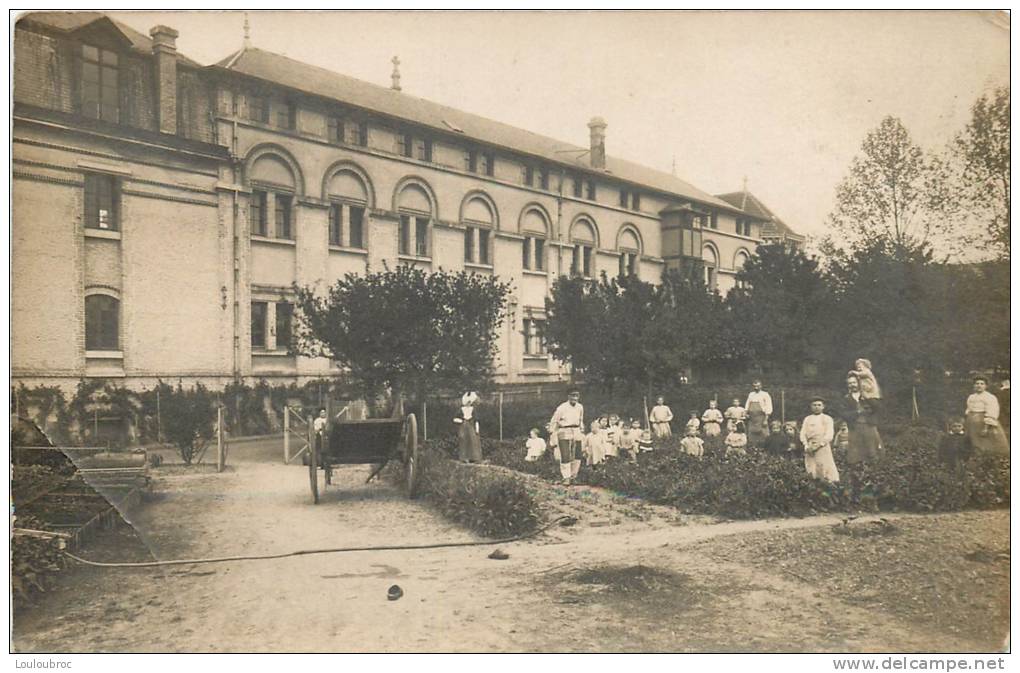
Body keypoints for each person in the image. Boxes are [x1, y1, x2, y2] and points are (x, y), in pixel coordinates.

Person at [837, 373, 883, 465]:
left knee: (872, 450)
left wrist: (868, 398)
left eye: (854, 382)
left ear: (859, 383)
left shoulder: (868, 394)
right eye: (850, 383)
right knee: (855, 454)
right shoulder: (846, 398)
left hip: (869, 425)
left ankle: (875, 470)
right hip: (854, 427)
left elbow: (878, 408)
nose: (852, 385)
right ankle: (859, 471)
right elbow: (843, 414)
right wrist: (857, 412)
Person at [965, 376, 1009, 454]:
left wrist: (986, 428)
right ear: (973, 385)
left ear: (986, 386)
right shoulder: (971, 397)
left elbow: (992, 412)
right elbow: (969, 409)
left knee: (987, 443)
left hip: (984, 422)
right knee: (974, 443)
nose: (979, 385)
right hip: (972, 423)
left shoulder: (990, 397)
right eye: (977, 383)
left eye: (982, 384)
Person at [800, 398, 839, 483]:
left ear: (823, 407)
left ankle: (828, 484)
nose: (816, 407)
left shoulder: (827, 418)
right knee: (811, 466)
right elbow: (803, 433)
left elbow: (829, 434)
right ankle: (813, 484)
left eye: (819, 405)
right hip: (810, 445)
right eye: (814, 405)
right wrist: (806, 446)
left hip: (822, 446)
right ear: (811, 407)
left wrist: (819, 445)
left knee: (824, 465)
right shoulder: (807, 419)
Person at [550, 389, 584, 484]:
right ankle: (566, 477)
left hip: (576, 430)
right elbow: (554, 420)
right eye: (572, 396)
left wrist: (581, 429)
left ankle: (574, 476)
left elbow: (581, 419)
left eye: (576, 396)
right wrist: (552, 433)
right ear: (568, 396)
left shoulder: (580, 407)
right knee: (565, 454)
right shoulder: (562, 408)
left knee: (577, 454)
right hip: (564, 430)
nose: (574, 398)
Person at [453, 391, 483, 463]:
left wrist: (477, 428)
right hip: (463, 426)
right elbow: (455, 418)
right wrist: (460, 421)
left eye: (469, 402)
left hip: (471, 425)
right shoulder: (461, 409)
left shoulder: (473, 409)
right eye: (467, 402)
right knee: (463, 440)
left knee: (473, 440)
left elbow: (476, 419)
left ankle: (474, 458)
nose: (468, 403)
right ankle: (464, 457)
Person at [744, 380, 773, 447]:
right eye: (754, 386)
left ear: (761, 386)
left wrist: (766, 419)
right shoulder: (751, 394)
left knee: (763, 433)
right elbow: (747, 404)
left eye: (758, 386)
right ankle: (753, 448)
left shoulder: (765, 394)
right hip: (752, 418)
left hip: (761, 417)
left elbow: (769, 407)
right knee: (752, 434)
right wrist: (746, 413)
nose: (756, 388)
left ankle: (764, 448)